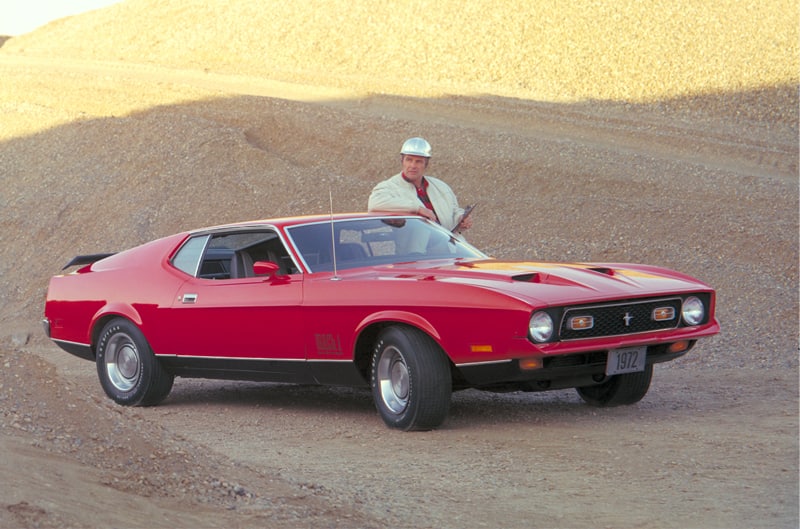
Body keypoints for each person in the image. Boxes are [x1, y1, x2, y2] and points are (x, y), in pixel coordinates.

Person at [368, 137, 473, 234]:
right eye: (409, 160)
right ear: (402, 161)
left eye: (418, 161)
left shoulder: (441, 186)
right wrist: (417, 209)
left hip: (449, 247)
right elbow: (374, 203)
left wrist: (461, 218)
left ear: (426, 164)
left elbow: (454, 210)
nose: (413, 166)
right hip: (416, 251)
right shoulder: (389, 187)